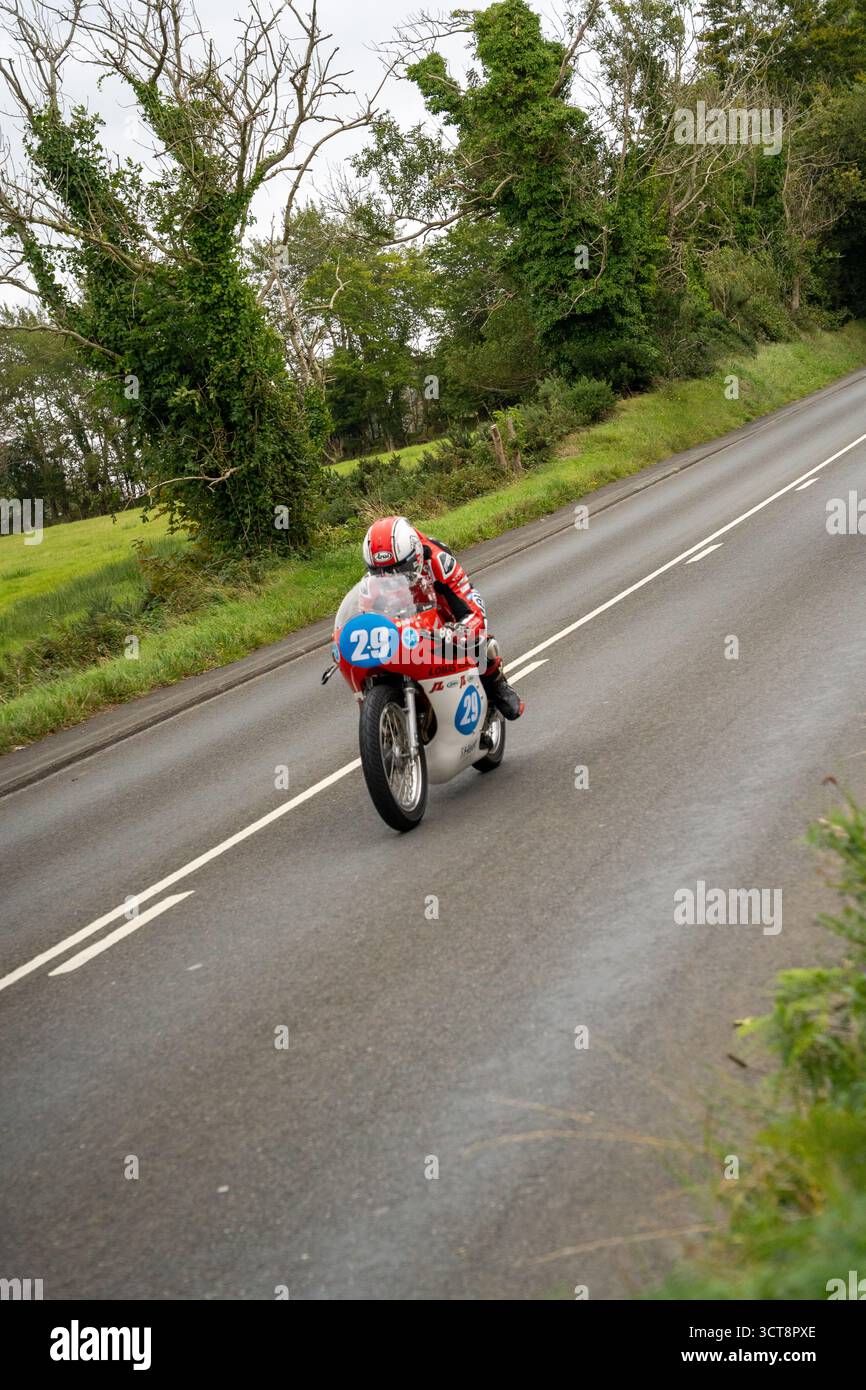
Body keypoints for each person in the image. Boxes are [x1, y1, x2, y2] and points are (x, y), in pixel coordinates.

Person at [362, 515, 524, 720]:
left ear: (416, 555)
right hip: (405, 613)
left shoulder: (439, 561)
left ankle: (495, 683)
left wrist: (458, 630)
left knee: (474, 640)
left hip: (446, 607)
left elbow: (470, 609)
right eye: (381, 572)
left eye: (400, 569)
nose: (391, 577)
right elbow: (365, 614)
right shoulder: (372, 579)